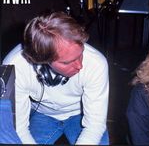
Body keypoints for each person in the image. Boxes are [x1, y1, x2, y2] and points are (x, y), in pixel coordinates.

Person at [3, 11, 109, 145]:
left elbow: (95, 125)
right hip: (42, 114)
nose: (80, 66)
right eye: (67, 62)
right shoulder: (14, 66)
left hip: (80, 112)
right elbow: (18, 128)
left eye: (80, 54)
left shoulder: (96, 63)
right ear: (40, 60)